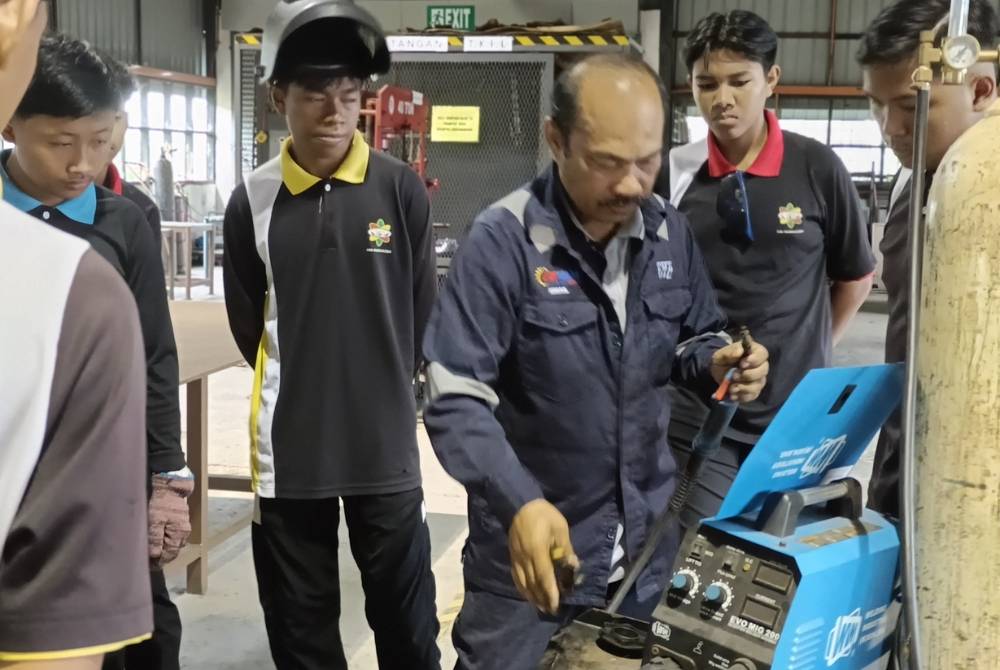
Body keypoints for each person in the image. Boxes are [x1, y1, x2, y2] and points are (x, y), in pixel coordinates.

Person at [422, 52, 770, 669]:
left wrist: (718, 361)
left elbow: (695, 335)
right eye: (608, 163)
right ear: (555, 139)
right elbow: (454, 397)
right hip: (529, 568)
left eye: (648, 161)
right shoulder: (502, 243)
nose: (633, 185)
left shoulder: (667, 233)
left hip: (643, 560)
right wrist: (519, 502)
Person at [222, 2, 439, 668]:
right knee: (302, 631)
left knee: (408, 624)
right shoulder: (252, 202)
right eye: (316, 93)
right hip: (291, 449)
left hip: (385, 444)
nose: (335, 110)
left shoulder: (400, 191)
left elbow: (420, 311)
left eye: (350, 94)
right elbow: (245, 321)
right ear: (278, 96)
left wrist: (386, 390)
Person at [0, 32, 193, 670]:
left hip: (105, 471)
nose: (83, 162)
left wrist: (167, 479)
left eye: (103, 139)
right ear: (11, 123)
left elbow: (155, 357)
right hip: (14, 469)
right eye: (61, 142)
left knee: (145, 636)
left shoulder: (125, 220)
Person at [657, 10, 876, 535]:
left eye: (739, 81)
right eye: (706, 84)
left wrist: (810, 350)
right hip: (699, 410)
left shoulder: (816, 168)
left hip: (795, 421)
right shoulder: (672, 175)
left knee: (777, 557)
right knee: (694, 553)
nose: (722, 98)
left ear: (770, 80)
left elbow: (855, 276)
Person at [858, 0, 999, 517]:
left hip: (976, 483)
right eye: (876, 104)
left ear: (980, 88)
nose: (889, 127)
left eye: (911, 105)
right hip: (903, 458)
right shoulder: (910, 180)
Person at [93, 57, 162, 245]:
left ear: (126, 122)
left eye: (115, 117)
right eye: (92, 118)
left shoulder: (141, 210)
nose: (104, 133)